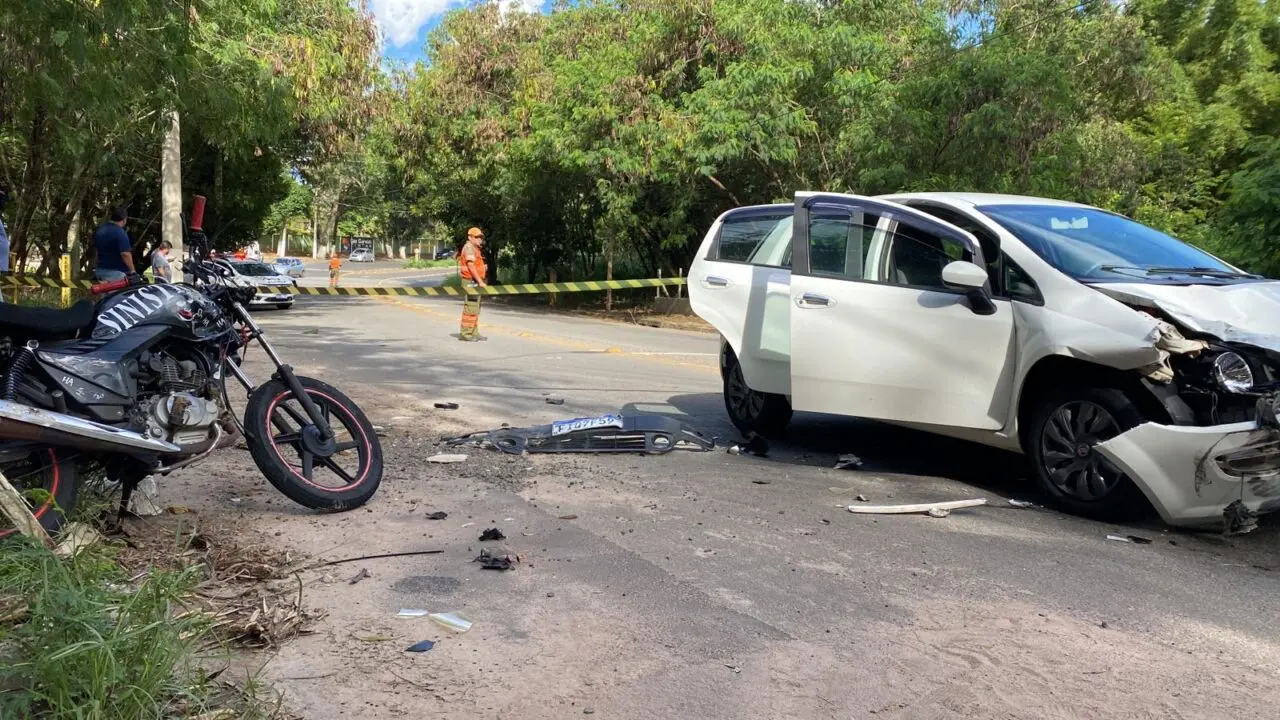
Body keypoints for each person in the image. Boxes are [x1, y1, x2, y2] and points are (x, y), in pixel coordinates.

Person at [457, 227, 488, 341]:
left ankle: (474, 332)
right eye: (477, 237)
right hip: (470, 281)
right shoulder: (469, 247)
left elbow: (476, 264)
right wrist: (480, 281)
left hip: (474, 281)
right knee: (471, 307)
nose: (480, 239)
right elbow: (470, 265)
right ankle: (466, 334)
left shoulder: (475, 248)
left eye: (481, 237)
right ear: (470, 237)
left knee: (475, 307)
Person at [93, 206, 135, 281]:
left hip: (100, 271)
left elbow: (96, 251)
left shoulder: (100, 230)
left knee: (105, 293)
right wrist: (133, 271)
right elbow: (125, 253)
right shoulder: (120, 232)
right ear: (124, 219)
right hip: (117, 275)